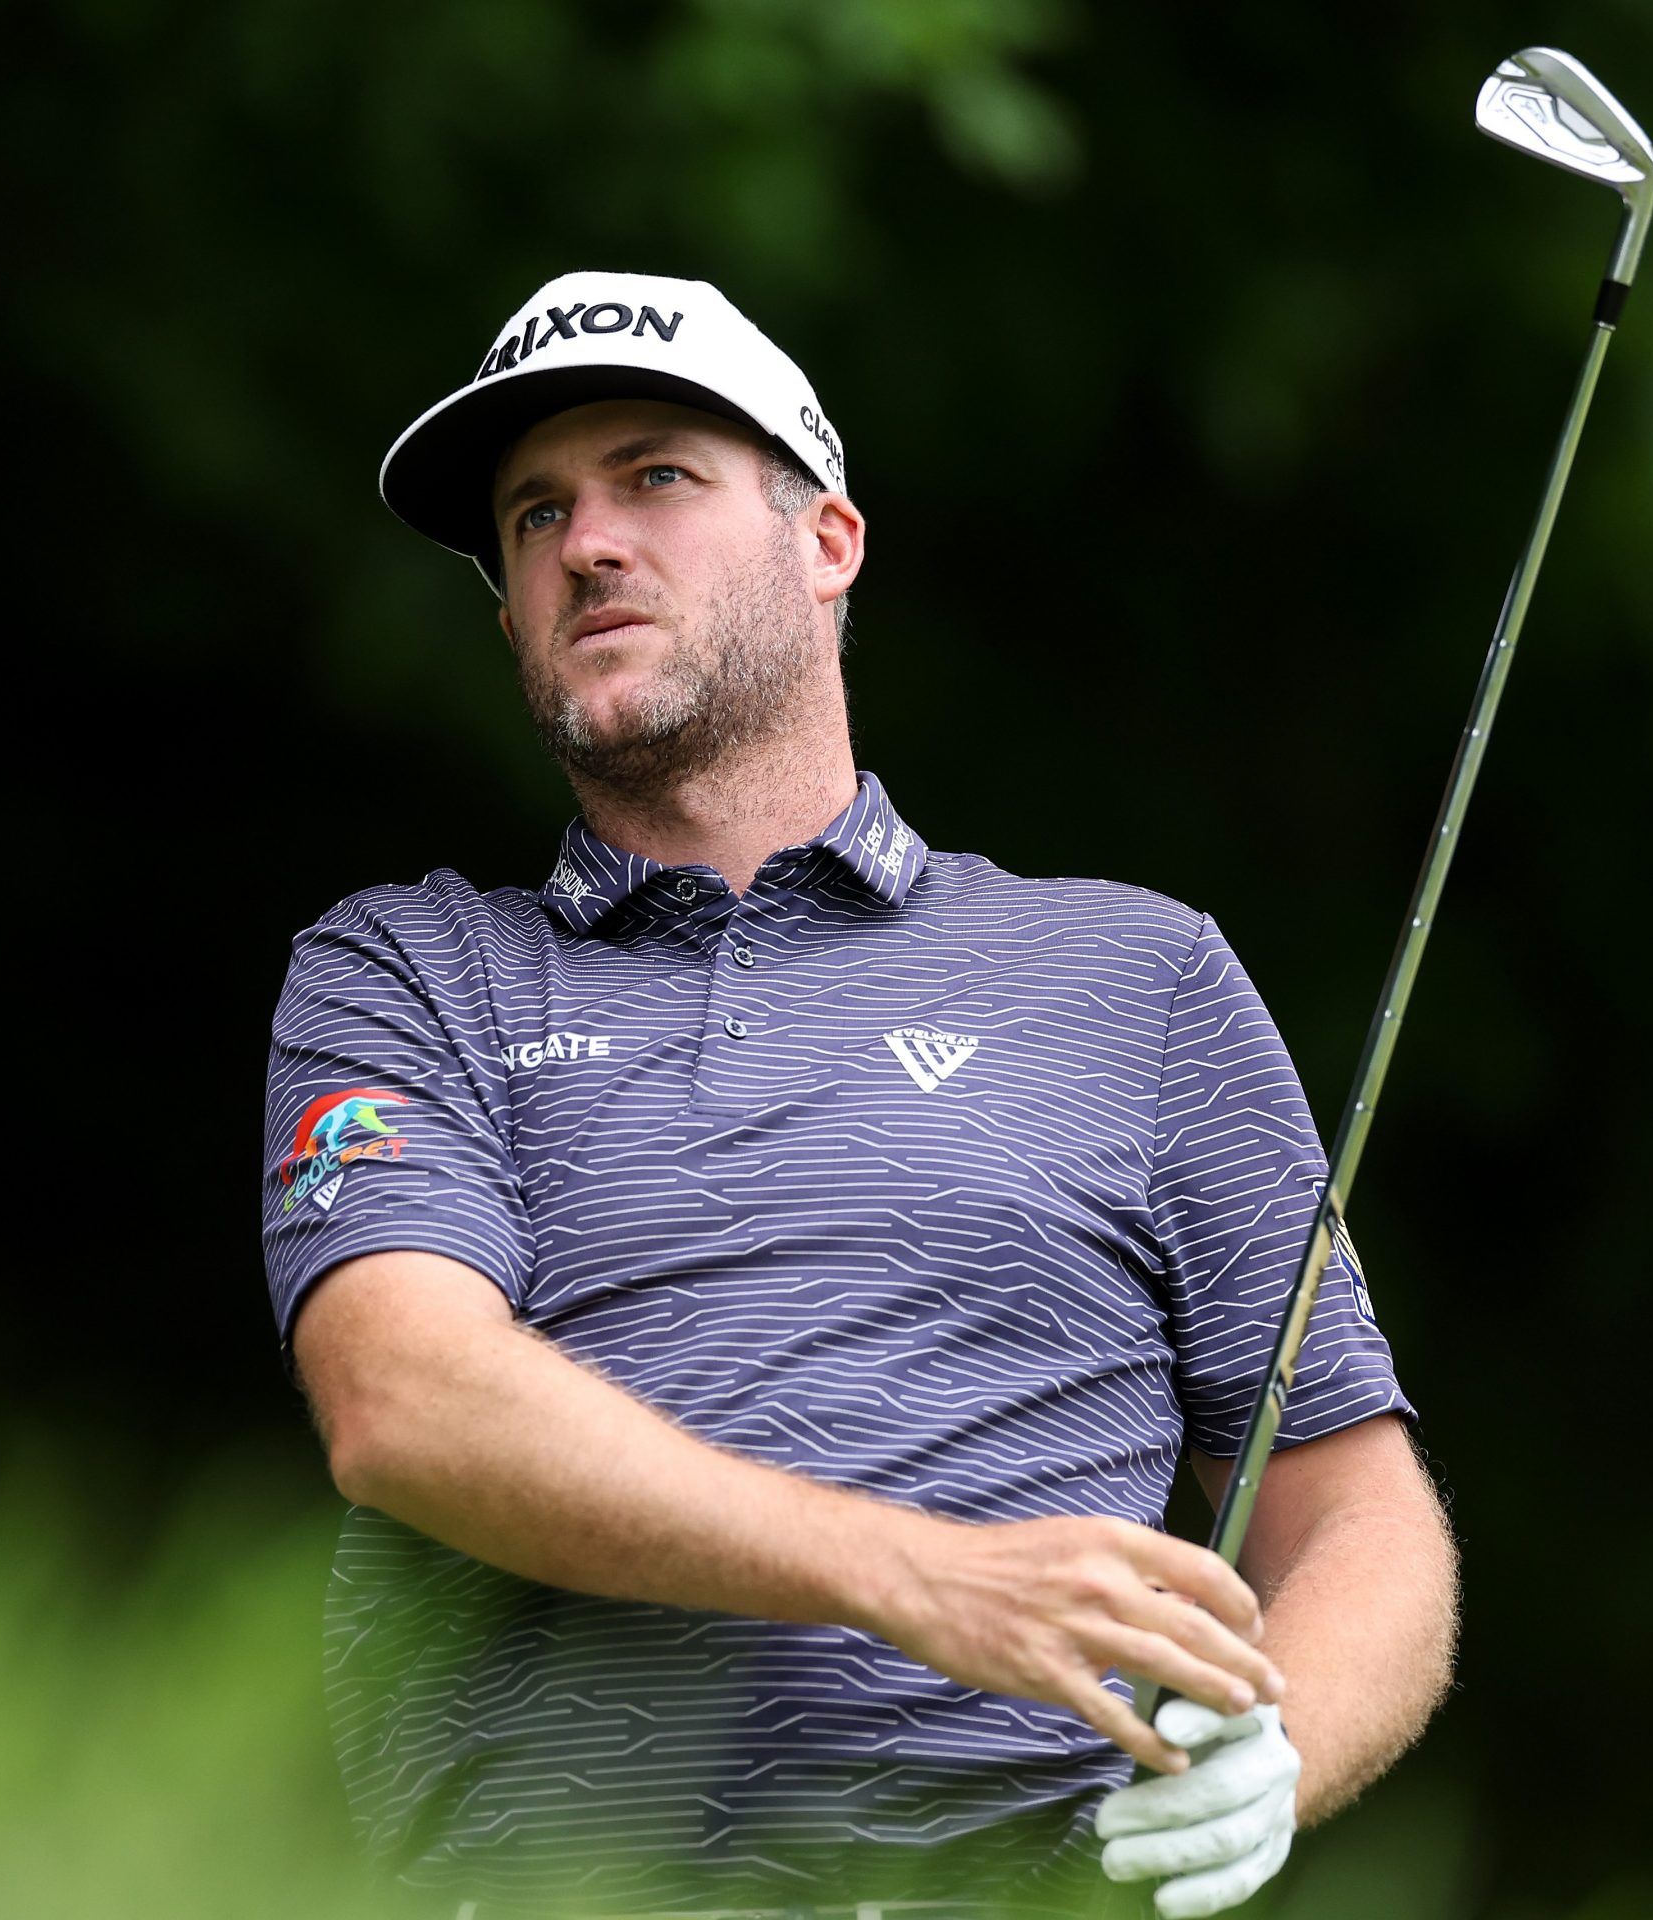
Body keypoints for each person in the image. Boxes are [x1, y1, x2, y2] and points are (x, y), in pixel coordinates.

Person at [259, 271, 1457, 1920]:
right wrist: (924, 1579)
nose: (585, 542)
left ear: (827, 542)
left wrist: (1280, 1750)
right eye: (536, 515)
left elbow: (1359, 1507)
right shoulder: (409, 970)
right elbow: (407, 1402)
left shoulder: (1139, 974)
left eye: (655, 476)